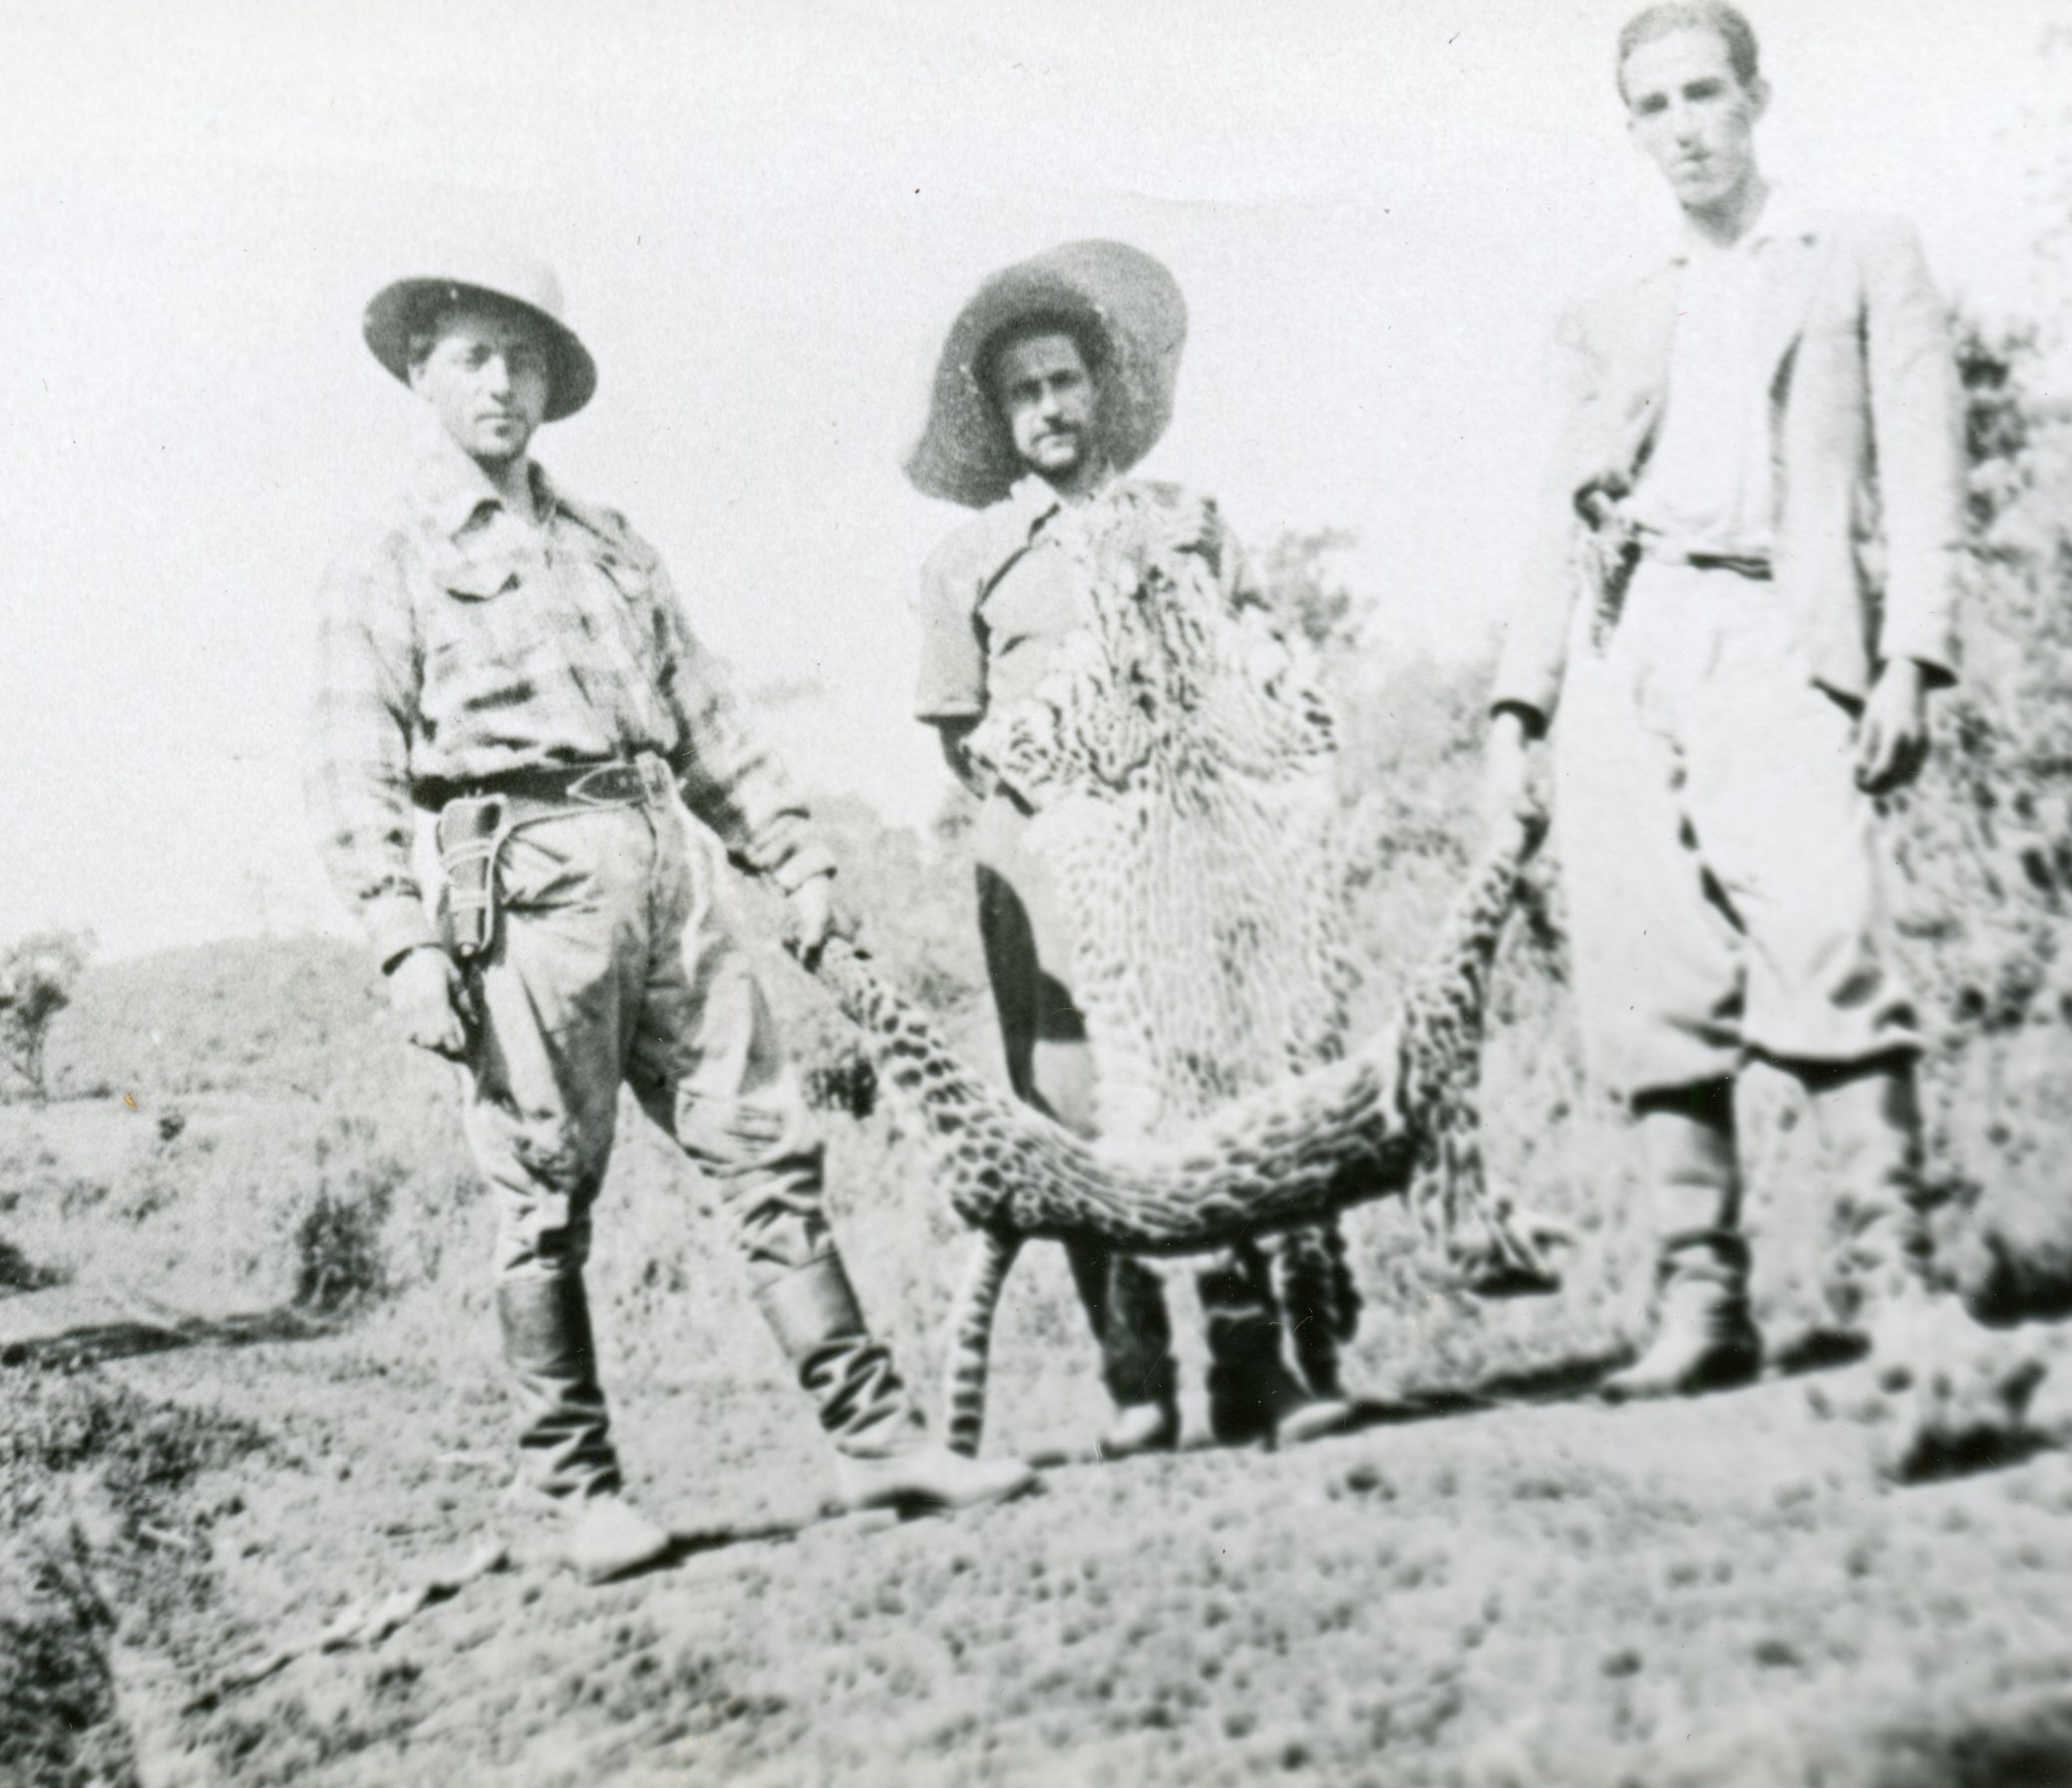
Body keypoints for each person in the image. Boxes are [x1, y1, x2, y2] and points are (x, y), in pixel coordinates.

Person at [308, 243, 1034, 1583]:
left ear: (552, 384)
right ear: (421, 372)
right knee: (539, 1185)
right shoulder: (388, 557)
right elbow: (351, 767)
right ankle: (576, 1493)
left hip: (666, 863)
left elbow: (705, 721)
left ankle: (877, 1444)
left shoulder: (609, 544)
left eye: (525, 361)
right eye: (474, 357)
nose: (501, 384)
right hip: (523, 879)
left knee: (765, 1148)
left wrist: (791, 858)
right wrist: (404, 940)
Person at [1485, 0, 1970, 1399]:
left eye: (1703, 93)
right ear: (1628, 129)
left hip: (1780, 627)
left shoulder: (1855, 252)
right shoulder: (1615, 301)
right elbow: (1555, 512)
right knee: (1646, 963)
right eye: (1652, 106)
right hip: (1627, 637)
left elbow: (1923, 468)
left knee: (1825, 930)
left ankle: (1898, 1287)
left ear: (1755, 95)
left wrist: (1910, 656)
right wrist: (1517, 710)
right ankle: (1702, 1304)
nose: (1683, 127)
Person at [905, 240, 1357, 1455]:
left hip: (1185, 848)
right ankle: (1137, 1379)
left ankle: (1255, 1365)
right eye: (1023, 392)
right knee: (1073, 1108)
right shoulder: (968, 563)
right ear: (998, 419)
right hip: (1043, 860)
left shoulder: (1185, 525)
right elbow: (959, 735)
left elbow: (1253, 668)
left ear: (1100, 390)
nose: (1048, 407)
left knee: (1214, 1087)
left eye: (1064, 380)